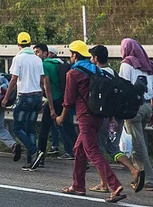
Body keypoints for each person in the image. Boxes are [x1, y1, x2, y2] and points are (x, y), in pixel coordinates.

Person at [57, 41, 126, 203]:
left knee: (92, 151)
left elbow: (68, 100)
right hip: (99, 116)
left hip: (85, 117)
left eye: (71, 54)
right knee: (79, 149)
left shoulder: (73, 73)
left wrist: (61, 117)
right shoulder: (96, 70)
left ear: (74, 55)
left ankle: (114, 185)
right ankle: (78, 185)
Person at [89, 44, 145, 194]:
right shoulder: (114, 74)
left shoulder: (99, 74)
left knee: (98, 149)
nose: (90, 59)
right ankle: (134, 170)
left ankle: (103, 183)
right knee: (113, 148)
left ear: (95, 58)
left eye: (91, 57)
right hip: (118, 118)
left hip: (105, 118)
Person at [1, 32, 52, 171]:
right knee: (30, 129)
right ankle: (31, 161)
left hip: (25, 96)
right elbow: (42, 80)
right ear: (30, 44)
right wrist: (41, 96)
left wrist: (6, 98)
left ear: (18, 45)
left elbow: (13, 80)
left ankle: (34, 150)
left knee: (17, 128)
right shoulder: (37, 59)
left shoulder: (18, 58)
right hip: (37, 97)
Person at [118, 38, 153, 190]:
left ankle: (148, 179)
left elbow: (123, 86)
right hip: (147, 107)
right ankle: (139, 176)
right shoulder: (148, 65)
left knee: (139, 145)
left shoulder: (127, 63)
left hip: (133, 109)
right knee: (138, 142)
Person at [35, 43, 77, 164]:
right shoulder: (59, 63)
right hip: (63, 99)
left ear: (45, 53)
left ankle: (40, 158)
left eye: (37, 52)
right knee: (70, 129)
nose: (36, 55)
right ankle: (81, 157)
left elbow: (47, 86)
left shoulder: (44, 65)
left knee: (44, 129)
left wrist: (51, 108)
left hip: (54, 100)